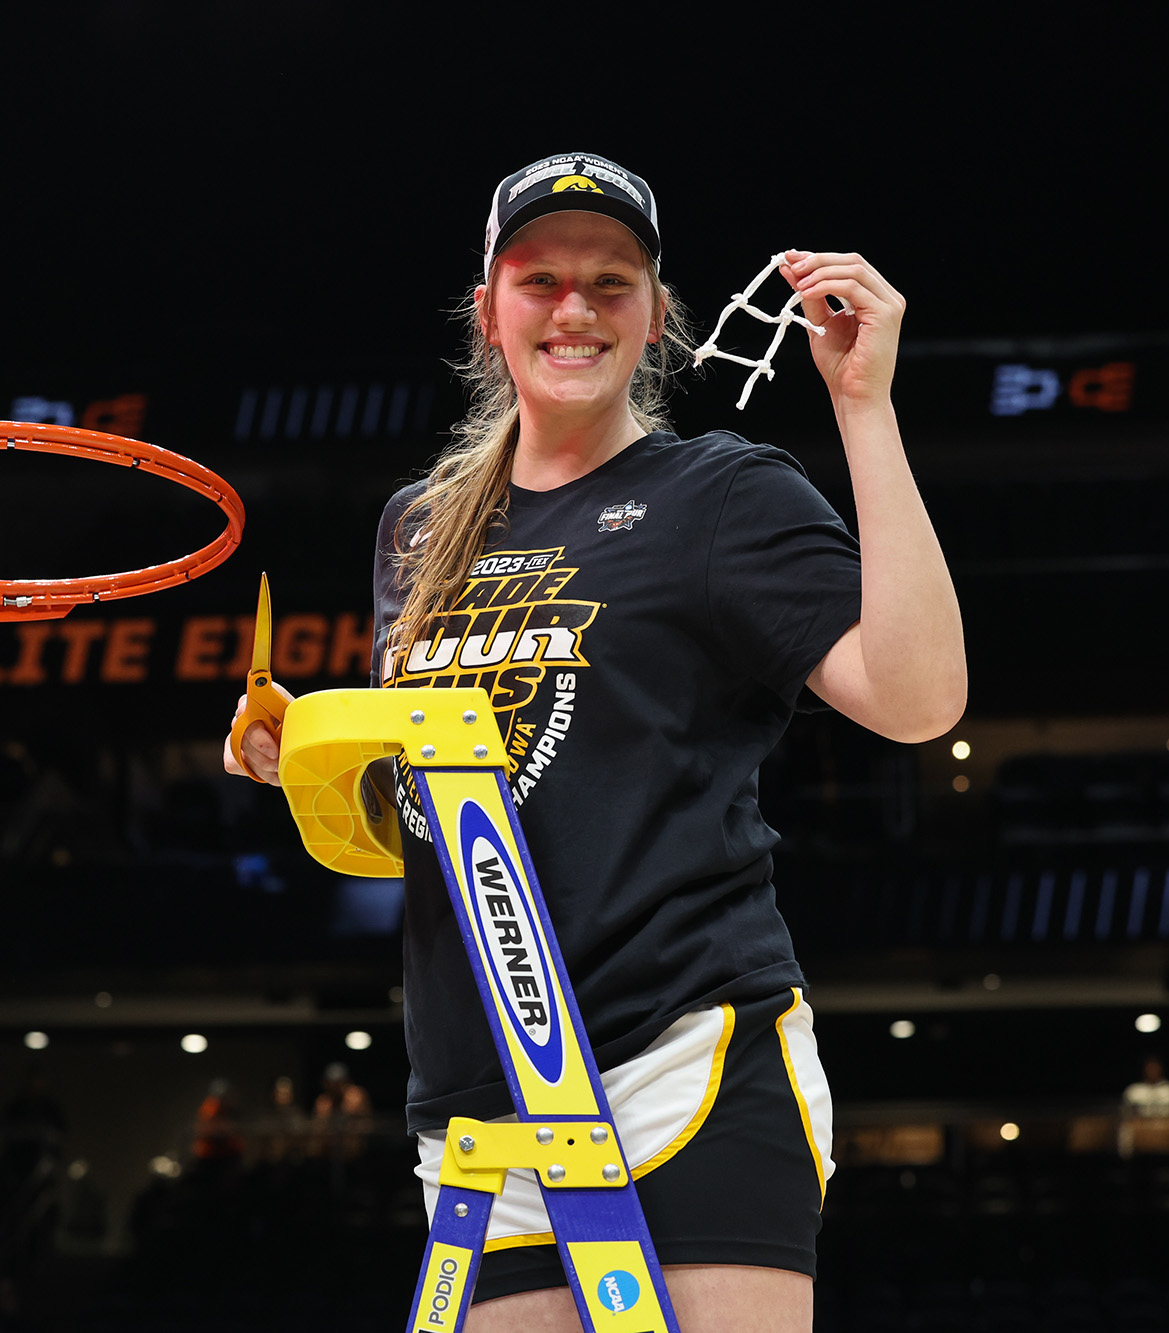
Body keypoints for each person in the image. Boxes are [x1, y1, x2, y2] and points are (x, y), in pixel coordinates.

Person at [225, 151, 964, 1332]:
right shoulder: (416, 531)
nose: (572, 310)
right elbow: (450, 807)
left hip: (679, 1059)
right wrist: (312, 757)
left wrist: (861, 408)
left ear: (657, 314)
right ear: (488, 309)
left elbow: (918, 699)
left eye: (609, 282)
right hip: (479, 1089)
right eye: (540, 280)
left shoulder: (720, 493)